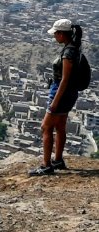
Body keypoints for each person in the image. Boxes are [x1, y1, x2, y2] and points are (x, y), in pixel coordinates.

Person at [29, 18, 82, 176]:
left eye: (56, 34)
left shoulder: (68, 53)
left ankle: (46, 166)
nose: (54, 37)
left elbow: (64, 79)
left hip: (61, 92)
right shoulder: (74, 47)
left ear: (62, 34)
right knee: (60, 126)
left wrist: (55, 102)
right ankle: (58, 160)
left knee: (46, 127)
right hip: (70, 93)